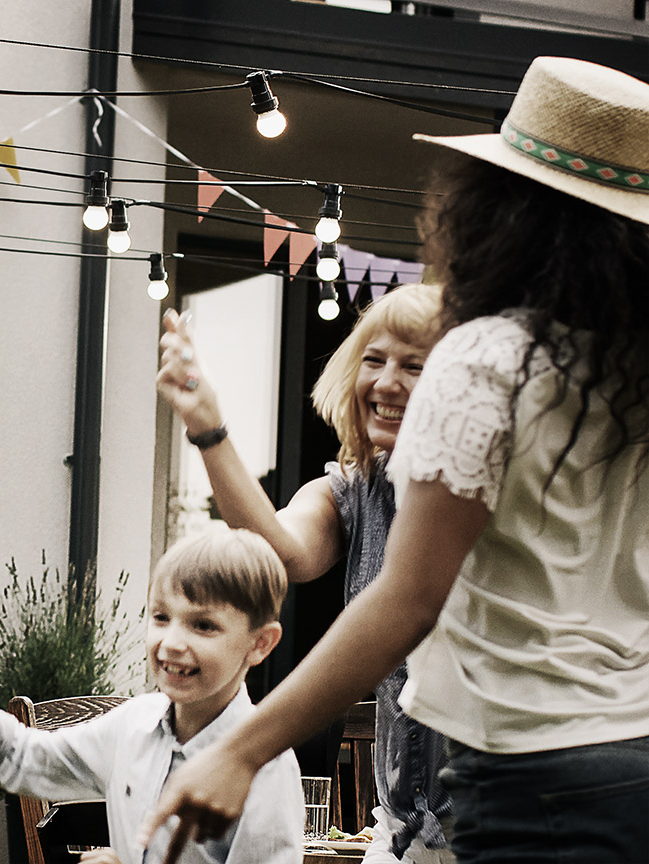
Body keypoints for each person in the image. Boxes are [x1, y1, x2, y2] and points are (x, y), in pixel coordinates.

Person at [138, 55, 649, 864]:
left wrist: (240, 748)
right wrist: (210, 432)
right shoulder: (630, 381)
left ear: (502, 211)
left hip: (528, 766)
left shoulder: (488, 359)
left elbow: (405, 602)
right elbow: (291, 548)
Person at [155, 284, 452, 863]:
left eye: (413, 365)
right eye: (374, 359)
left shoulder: (488, 497)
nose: (386, 382)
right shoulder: (355, 487)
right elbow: (279, 551)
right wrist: (209, 428)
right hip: (402, 834)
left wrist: (241, 751)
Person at [0, 527, 304, 864]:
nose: (171, 643)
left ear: (260, 644)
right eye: (161, 617)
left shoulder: (265, 765)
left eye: (203, 625)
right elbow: (22, 756)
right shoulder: (133, 725)